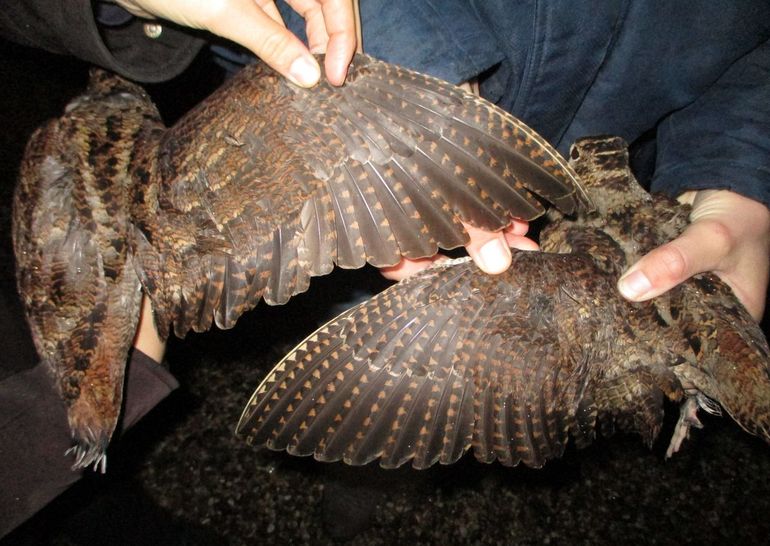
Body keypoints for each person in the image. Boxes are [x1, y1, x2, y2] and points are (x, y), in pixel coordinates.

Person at [0, 0, 768, 538]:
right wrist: (417, 80)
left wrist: (744, 169)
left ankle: (387, 464)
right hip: (355, 116)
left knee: (445, 354)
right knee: (388, 339)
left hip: (536, 185)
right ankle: (368, 465)